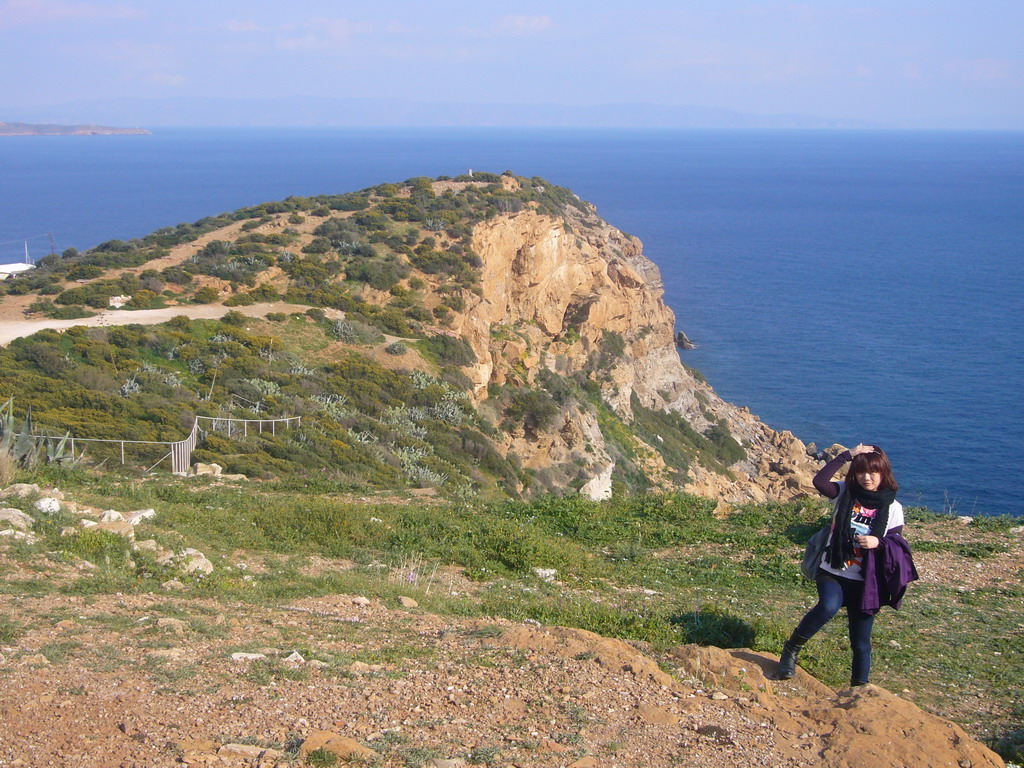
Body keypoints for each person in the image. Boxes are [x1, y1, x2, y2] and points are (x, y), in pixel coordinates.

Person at [775, 443, 918, 686]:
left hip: (866, 580)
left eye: (873, 472)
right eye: (861, 471)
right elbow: (820, 482)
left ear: (884, 473)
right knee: (828, 606)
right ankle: (791, 650)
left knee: (861, 641)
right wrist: (847, 455)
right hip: (833, 568)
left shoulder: (894, 508)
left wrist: (878, 542)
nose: (866, 477)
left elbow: (897, 544)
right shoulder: (844, 491)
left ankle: (859, 688)